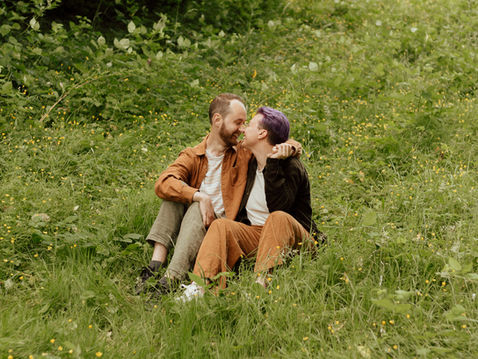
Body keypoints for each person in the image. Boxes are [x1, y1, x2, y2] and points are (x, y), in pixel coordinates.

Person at [136, 94, 301, 295]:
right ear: (217, 120)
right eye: (238, 122)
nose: (242, 129)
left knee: (194, 202)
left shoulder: (243, 152)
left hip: (220, 228)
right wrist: (200, 196)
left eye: (244, 124)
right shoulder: (193, 155)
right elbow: (163, 182)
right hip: (194, 223)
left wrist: (290, 147)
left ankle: (172, 278)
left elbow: (273, 138)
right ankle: (155, 265)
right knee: (178, 194)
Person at [178, 106, 321, 301]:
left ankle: (260, 286)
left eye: (250, 125)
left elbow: (279, 207)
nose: (243, 129)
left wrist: (274, 163)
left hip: (294, 238)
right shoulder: (250, 163)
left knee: (277, 217)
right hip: (258, 235)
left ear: (262, 133)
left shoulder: (291, 166)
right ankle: (200, 287)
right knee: (221, 226)